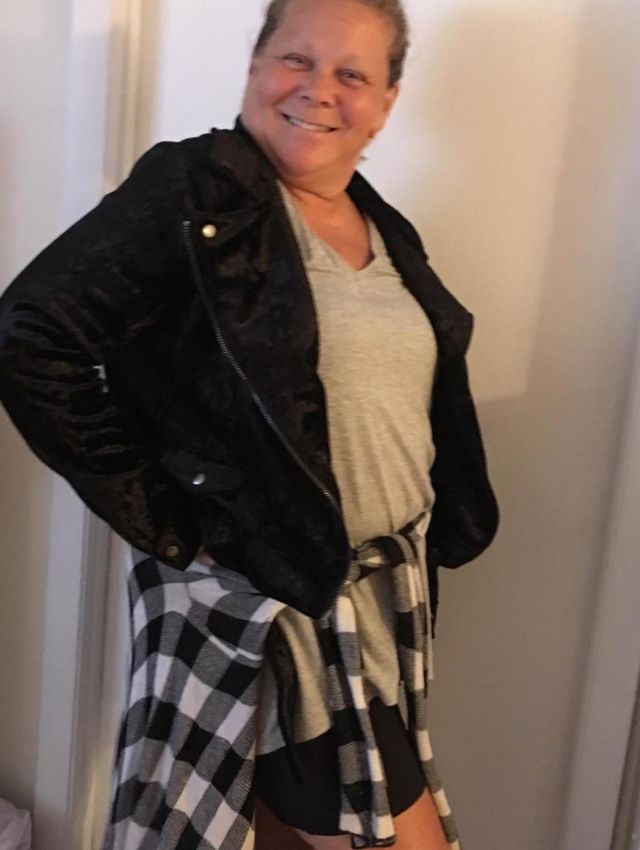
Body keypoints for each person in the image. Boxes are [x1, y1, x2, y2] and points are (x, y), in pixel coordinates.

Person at [0, 0, 499, 848]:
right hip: (274, 611)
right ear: (256, 65)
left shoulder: (386, 227)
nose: (318, 89)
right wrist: (168, 521)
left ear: (386, 102)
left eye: (351, 73)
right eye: (296, 59)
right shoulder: (195, 192)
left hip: (379, 604)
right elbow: (32, 337)